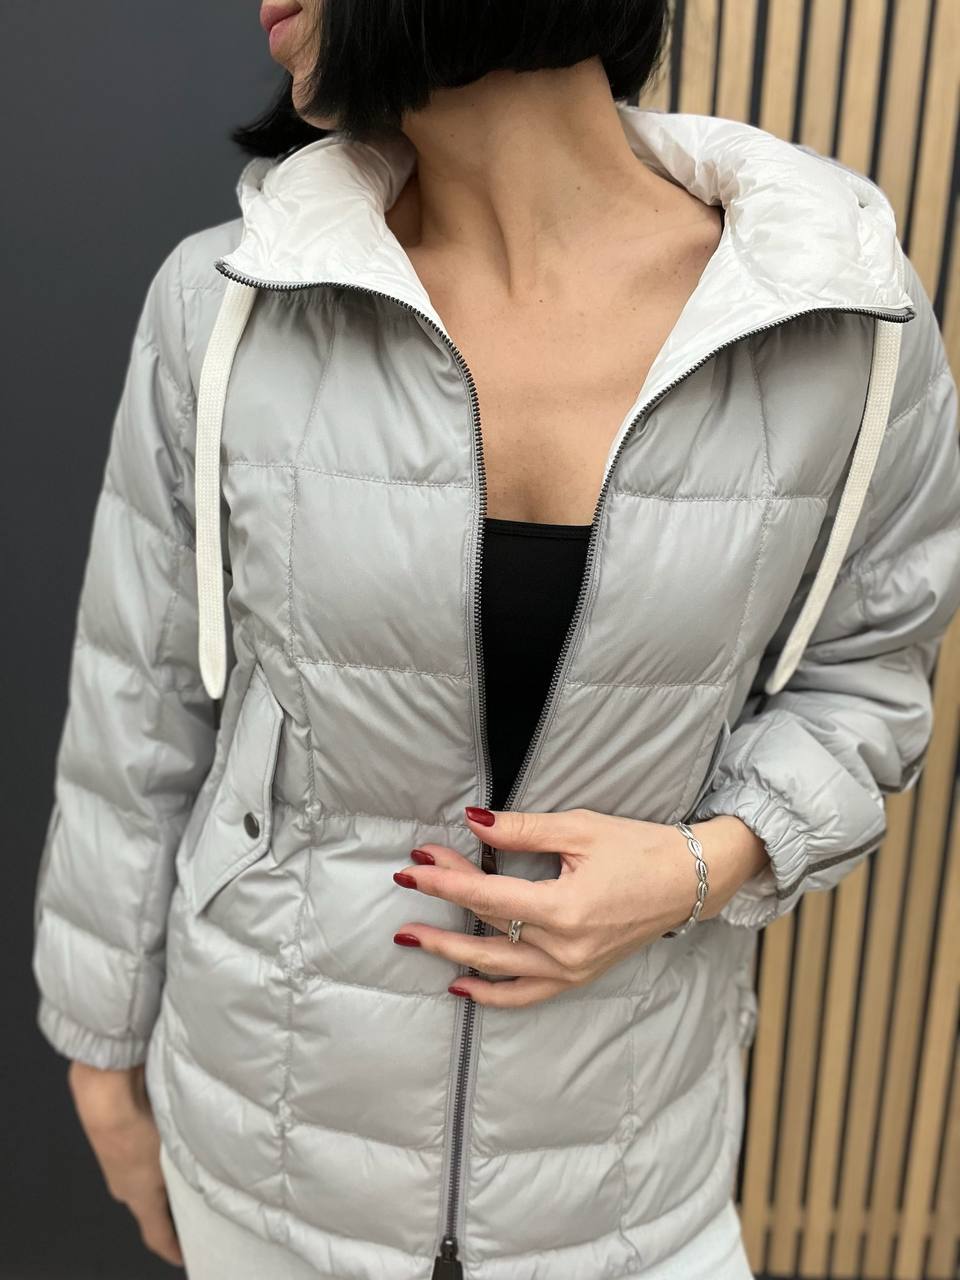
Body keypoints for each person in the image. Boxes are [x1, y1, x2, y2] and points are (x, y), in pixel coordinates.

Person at [32, 2, 960, 1278]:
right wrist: (99, 1059)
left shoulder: (840, 315)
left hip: (628, 1174)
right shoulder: (227, 301)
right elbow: (136, 705)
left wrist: (704, 862)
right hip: (265, 1147)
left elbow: (871, 675)